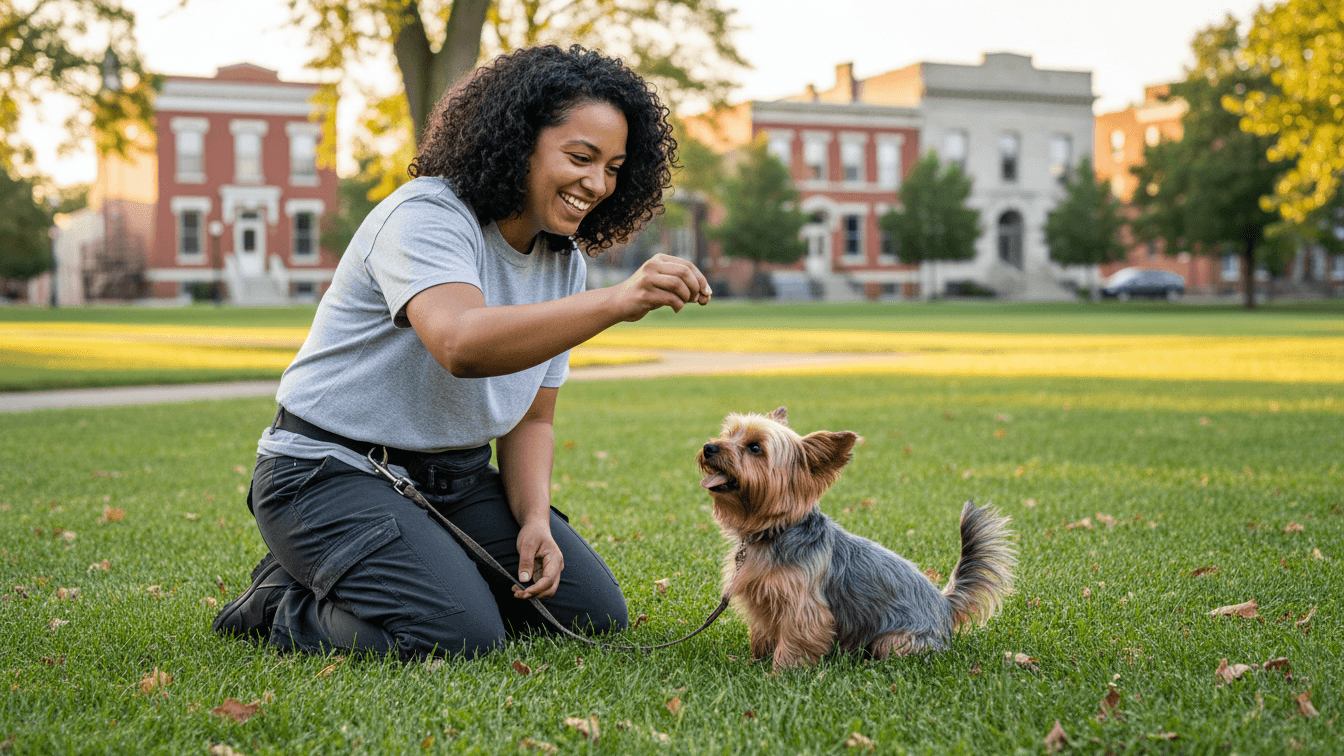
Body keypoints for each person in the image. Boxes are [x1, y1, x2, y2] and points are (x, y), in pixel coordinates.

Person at [212, 45, 711, 660]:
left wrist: (533, 520)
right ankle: (277, 603)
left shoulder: (562, 261)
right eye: (580, 158)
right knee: (458, 636)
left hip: (457, 479)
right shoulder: (426, 216)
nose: (597, 184)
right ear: (518, 141)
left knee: (593, 613)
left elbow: (533, 417)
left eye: (613, 167)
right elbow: (461, 343)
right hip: (327, 472)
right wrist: (617, 302)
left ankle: (405, 564)